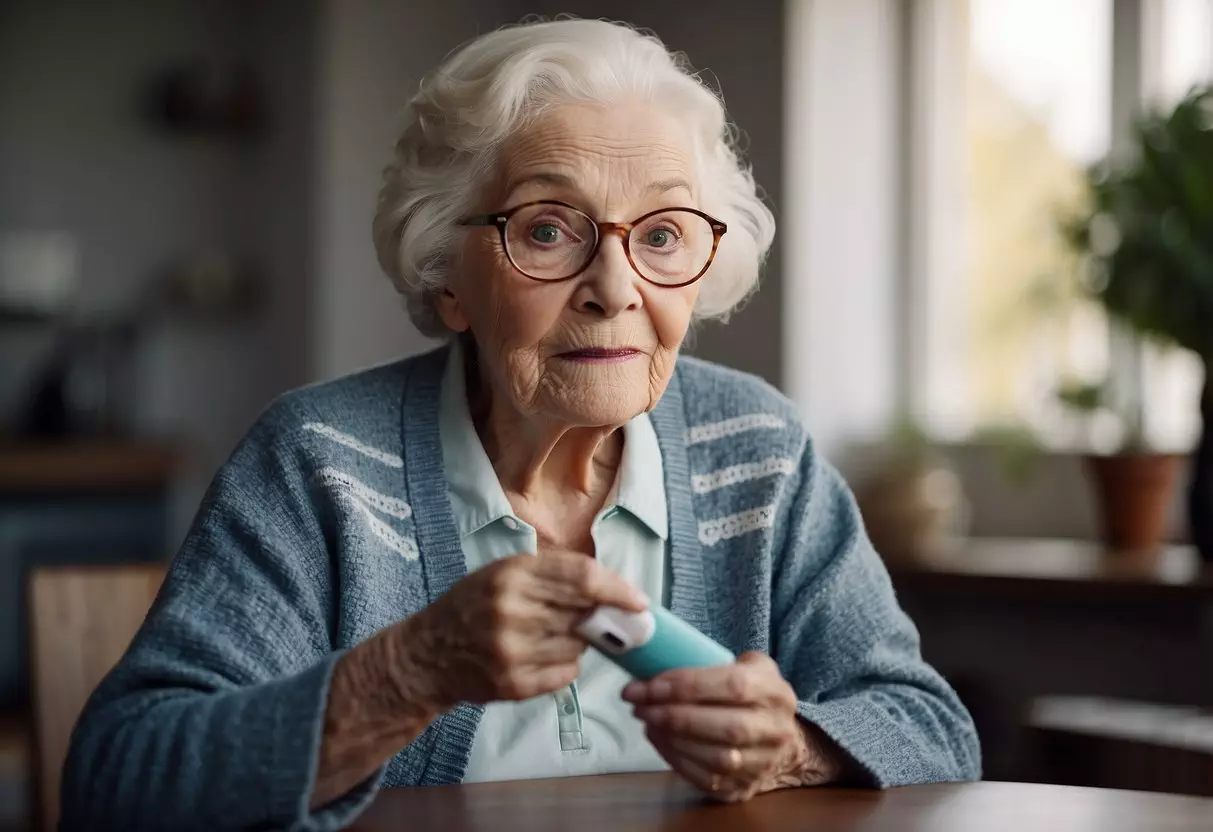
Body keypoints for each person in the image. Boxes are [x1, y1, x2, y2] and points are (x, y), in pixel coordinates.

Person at [61, 17, 980, 831]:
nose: (614, 290)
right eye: (547, 229)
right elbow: (116, 781)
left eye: (659, 236)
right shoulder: (318, 463)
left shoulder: (756, 449)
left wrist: (789, 749)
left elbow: (929, 726)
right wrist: (405, 674)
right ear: (445, 273)